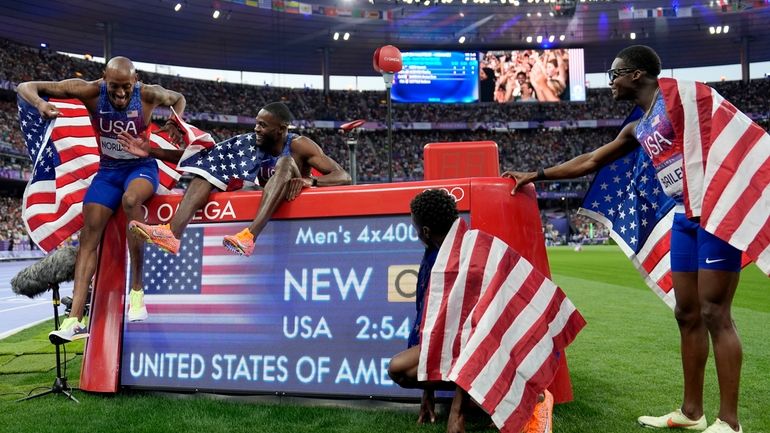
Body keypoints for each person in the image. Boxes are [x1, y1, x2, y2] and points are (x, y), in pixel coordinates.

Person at [503, 45, 745, 433]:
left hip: (715, 213)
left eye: (614, 74)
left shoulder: (682, 98)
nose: (609, 82)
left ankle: (730, 423)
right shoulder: (638, 126)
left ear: (636, 75)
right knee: (687, 314)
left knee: (716, 313)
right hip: (684, 216)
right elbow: (592, 161)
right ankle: (692, 412)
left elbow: (733, 132)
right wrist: (537, 174)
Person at [17, 56, 186, 343]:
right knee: (88, 234)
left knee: (131, 201)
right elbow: (26, 86)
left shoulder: (148, 94)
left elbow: (178, 98)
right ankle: (74, 321)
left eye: (126, 88)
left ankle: (137, 293)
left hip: (140, 169)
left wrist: (175, 123)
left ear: (135, 82)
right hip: (107, 171)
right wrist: (41, 105)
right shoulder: (90, 91)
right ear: (103, 80)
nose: (120, 95)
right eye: (114, 87)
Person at [126, 102, 351, 256]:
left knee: (284, 162)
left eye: (263, 125)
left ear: (281, 129)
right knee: (208, 169)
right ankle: (172, 234)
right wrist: (151, 151)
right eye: (256, 123)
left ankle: (249, 237)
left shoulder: (299, 144)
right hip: (268, 206)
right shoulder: (250, 143)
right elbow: (204, 157)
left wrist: (310, 182)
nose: (256, 129)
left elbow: (343, 176)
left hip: (299, 221)